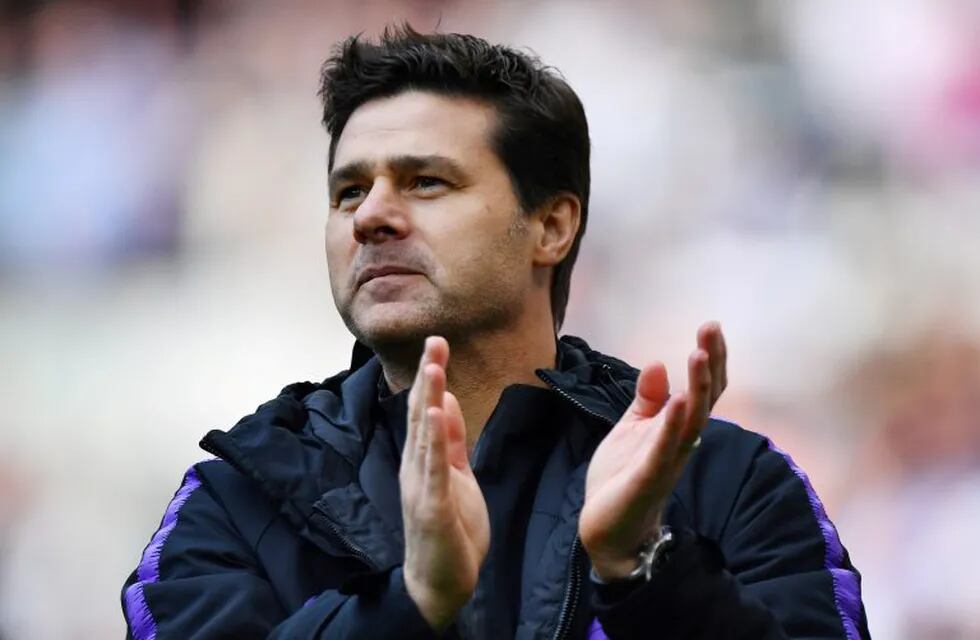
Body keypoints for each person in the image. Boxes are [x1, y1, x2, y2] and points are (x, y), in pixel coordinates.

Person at [122, 26, 870, 639]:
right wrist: (412, 602)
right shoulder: (234, 499)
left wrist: (642, 573)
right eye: (349, 190)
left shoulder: (728, 483)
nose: (371, 215)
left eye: (426, 182)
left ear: (551, 225)